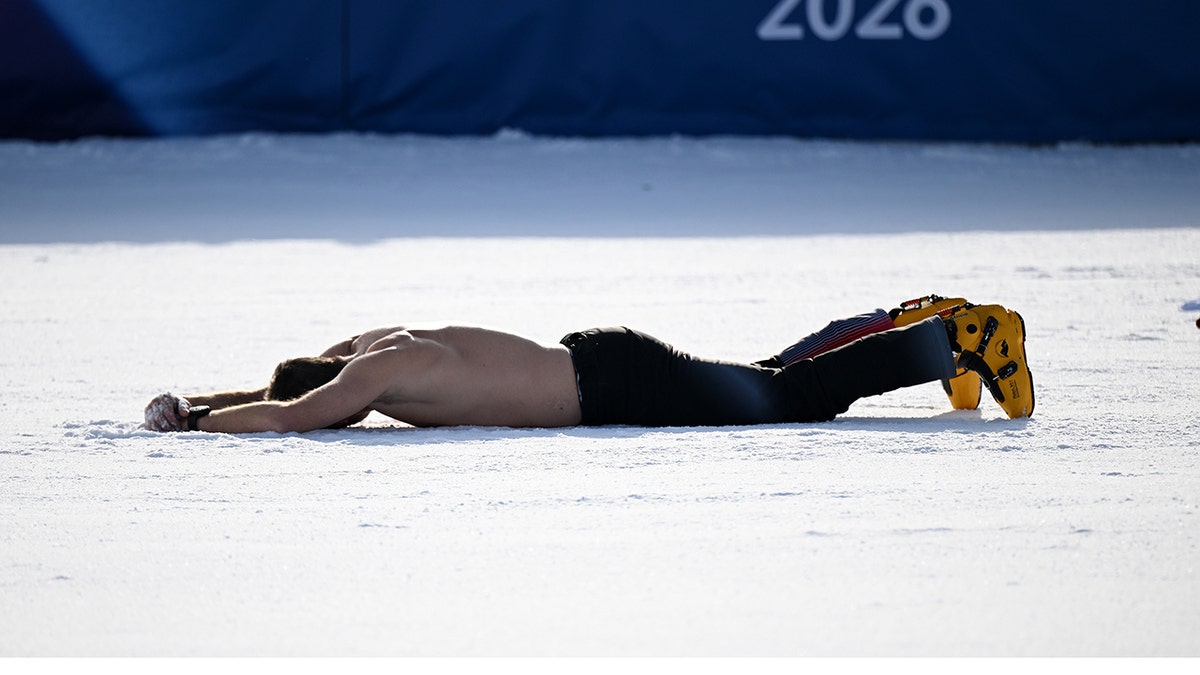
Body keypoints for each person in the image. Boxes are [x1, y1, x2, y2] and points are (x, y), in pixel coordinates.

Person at [143, 294, 1034, 434]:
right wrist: (194, 402)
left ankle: (961, 339)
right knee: (767, 377)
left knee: (789, 399)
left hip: (607, 382)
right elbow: (291, 388)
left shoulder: (365, 379)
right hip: (600, 361)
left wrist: (200, 429)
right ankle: (910, 319)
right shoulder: (372, 347)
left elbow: (296, 413)